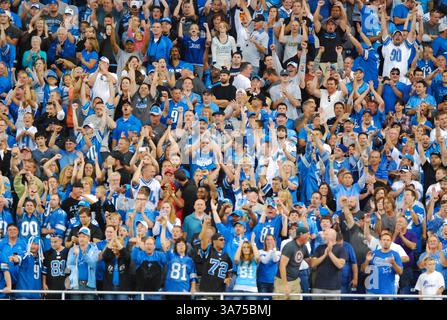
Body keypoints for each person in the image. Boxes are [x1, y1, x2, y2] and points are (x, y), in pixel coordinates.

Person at [362, 230, 403, 298]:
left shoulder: (395, 255)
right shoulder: (373, 253)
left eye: (388, 240)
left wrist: (393, 263)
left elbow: (400, 272)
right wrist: (367, 260)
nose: (385, 242)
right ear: (380, 241)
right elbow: (363, 270)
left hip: (388, 291)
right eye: (384, 240)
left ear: (391, 242)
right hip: (372, 291)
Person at [274, 225, 311, 300]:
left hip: (295, 281)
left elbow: (311, 263)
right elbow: (282, 266)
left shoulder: (304, 247)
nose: (309, 236)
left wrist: (324, 254)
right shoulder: (289, 246)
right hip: (282, 281)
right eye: (307, 234)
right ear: (301, 235)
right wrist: (285, 285)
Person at [311, 228, 347, 300]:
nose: (323, 236)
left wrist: (330, 253)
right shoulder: (319, 248)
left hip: (333, 288)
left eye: (326, 234)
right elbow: (312, 264)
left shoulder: (341, 249)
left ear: (333, 236)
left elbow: (340, 265)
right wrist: (324, 255)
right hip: (318, 286)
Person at [66, 227, 100, 300]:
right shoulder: (73, 249)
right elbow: (69, 265)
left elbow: (93, 264)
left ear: (89, 238)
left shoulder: (94, 249)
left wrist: (84, 254)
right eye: (80, 236)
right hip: (75, 284)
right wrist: (75, 255)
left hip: (89, 285)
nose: (81, 239)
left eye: (84, 236)